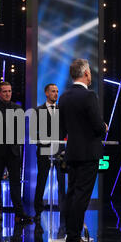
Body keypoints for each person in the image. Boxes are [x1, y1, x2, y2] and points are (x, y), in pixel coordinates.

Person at [58, 59, 108, 242]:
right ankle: (74, 236)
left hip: (72, 152)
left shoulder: (63, 97)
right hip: (88, 153)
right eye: (90, 72)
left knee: (72, 193)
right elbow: (97, 126)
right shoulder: (89, 96)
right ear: (86, 73)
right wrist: (103, 127)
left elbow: (62, 128)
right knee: (81, 196)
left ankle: (71, 235)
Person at [0, 82, 32, 223]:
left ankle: (19, 212)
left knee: (15, 183)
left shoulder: (17, 108)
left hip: (13, 151)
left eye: (9, 91)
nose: (7, 93)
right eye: (4, 91)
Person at [33, 83, 66, 223]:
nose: (56, 94)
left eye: (57, 91)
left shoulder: (63, 111)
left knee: (62, 181)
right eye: (53, 91)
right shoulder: (38, 111)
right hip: (44, 149)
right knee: (41, 180)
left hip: (60, 149)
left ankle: (63, 210)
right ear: (46, 93)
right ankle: (38, 211)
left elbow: (66, 130)